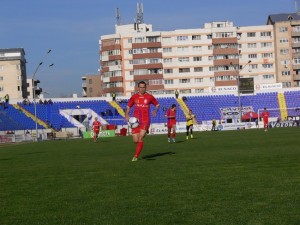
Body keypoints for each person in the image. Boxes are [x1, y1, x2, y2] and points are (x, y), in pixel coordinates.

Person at [125, 81, 160, 161]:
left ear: (145, 88)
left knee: (140, 138)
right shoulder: (134, 97)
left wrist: (155, 110)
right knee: (135, 140)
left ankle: (135, 156)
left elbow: (157, 105)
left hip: (145, 120)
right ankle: (145, 131)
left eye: (143, 87)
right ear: (138, 88)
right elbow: (128, 106)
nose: (142, 89)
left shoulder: (149, 97)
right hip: (135, 121)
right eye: (140, 87)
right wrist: (126, 114)